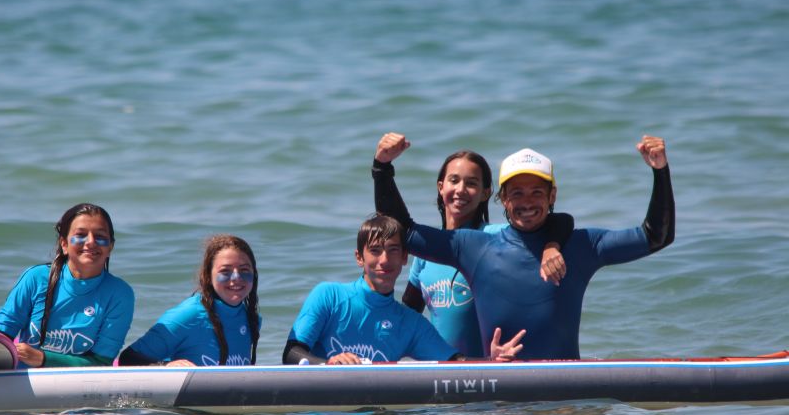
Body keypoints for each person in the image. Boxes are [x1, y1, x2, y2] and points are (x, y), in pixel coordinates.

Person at [373, 133, 674, 360]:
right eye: (516, 193)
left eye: (536, 192)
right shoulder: (474, 246)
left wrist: (660, 171)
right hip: (501, 401)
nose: (527, 202)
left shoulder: (583, 246)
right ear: (502, 199)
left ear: (552, 195)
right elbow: (405, 232)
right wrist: (382, 168)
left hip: (565, 398)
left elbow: (655, 237)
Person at [283, 214, 525, 365]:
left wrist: (490, 362)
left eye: (393, 250)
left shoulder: (409, 323)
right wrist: (328, 364)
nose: (385, 260)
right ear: (359, 257)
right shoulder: (329, 296)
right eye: (375, 250)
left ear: (405, 258)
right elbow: (292, 353)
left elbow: (454, 362)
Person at [400, 149, 573, 357]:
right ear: (440, 187)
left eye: (472, 183)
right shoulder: (425, 254)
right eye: (454, 180)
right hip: (444, 374)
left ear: (486, 193)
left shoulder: (494, 238)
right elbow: (407, 319)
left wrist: (551, 246)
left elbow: (561, 220)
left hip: (490, 372)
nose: (461, 189)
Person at [0, 203, 135, 367]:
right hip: (23, 380)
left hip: (79, 384)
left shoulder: (119, 294)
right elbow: (0, 336)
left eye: (100, 236)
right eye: (81, 235)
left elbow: (101, 362)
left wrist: (43, 359)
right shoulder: (36, 279)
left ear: (110, 247)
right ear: (64, 244)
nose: (91, 242)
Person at [119, 234, 261, 367]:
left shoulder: (251, 318)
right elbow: (128, 359)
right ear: (208, 276)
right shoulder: (188, 315)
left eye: (244, 270)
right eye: (225, 271)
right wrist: (165, 367)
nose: (236, 277)